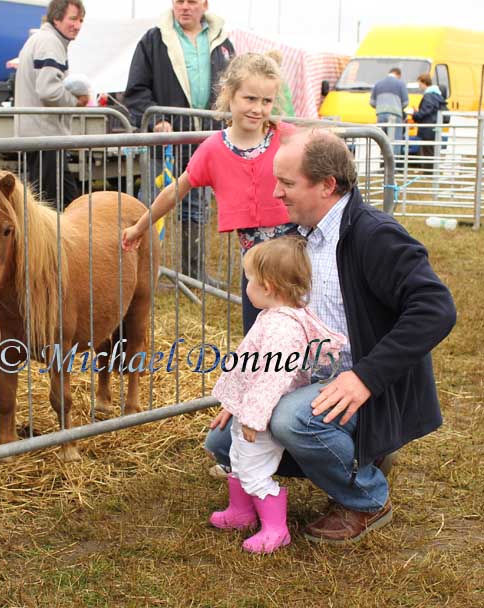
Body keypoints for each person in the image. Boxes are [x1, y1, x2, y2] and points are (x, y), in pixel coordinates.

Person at [205, 129, 457, 544]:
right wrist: (246, 391)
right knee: (222, 440)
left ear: (327, 185)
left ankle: (367, 498)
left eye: (287, 183)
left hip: (365, 385)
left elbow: (436, 307)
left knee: (291, 420)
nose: (276, 192)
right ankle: (359, 452)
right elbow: (268, 330)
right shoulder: (294, 236)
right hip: (307, 379)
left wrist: (366, 378)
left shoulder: (374, 234)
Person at [122, 53, 297, 337]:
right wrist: (139, 227)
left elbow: (325, 161)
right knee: (257, 337)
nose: (258, 109)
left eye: (266, 101)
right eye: (250, 99)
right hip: (255, 266)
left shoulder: (285, 136)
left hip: (297, 261)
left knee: (298, 334)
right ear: (230, 95)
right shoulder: (214, 149)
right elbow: (175, 190)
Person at [209, 237, 346, 554]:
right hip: (248, 410)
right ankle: (241, 512)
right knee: (238, 460)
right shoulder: (273, 317)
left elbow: (273, 378)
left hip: (262, 417)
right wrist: (232, 404)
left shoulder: (283, 328)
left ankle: (276, 530)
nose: (246, 288)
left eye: (249, 281)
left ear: (267, 286)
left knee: (255, 470)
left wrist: (254, 418)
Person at [123, 0, 235, 280]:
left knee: (196, 203)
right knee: (151, 203)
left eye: (192, 1)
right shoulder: (153, 40)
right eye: (178, 1)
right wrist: (156, 119)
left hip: (204, 140)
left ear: (204, 4)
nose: (184, 7)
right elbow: (136, 90)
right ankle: (141, 273)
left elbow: (232, 88)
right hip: (166, 141)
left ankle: (194, 271)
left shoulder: (223, 43)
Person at [13, 0, 88, 209]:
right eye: (73, 19)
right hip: (45, 138)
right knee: (51, 207)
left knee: (67, 204)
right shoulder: (50, 43)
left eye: (81, 20)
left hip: (41, 138)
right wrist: (76, 101)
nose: (78, 25)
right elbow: (47, 90)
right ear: (56, 18)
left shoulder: (44, 40)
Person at [369, 67, 409, 158]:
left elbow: (372, 102)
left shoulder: (378, 84)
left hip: (380, 115)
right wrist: (398, 107)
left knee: (381, 140)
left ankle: (383, 165)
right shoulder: (400, 84)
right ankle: (394, 166)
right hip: (395, 115)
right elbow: (406, 102)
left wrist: (380, 107)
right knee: (395, 141)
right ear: (398, 75)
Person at [410, 72, 448, 166]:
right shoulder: (436, 95)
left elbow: (426, 110)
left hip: (428, 128)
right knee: (430, 150)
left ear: (424, 83)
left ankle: (428, 173)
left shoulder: (429, 95)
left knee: (427, 151)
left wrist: (415, 114)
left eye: (419, 84)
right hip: (434, 126)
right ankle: (430, 172)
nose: (419, 86)